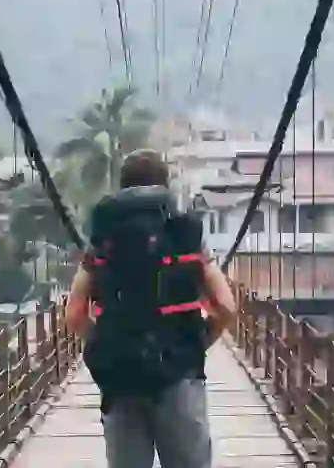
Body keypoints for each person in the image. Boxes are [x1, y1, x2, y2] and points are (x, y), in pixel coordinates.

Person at [64, 149, 237, 468]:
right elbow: (226, 306)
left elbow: (74, 314)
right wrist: (197, 341)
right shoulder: (186, 237)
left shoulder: (102, 243)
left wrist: (106, 339)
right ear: (165, 187)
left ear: (122, 188)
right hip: (179, 374)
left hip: (120, 377)